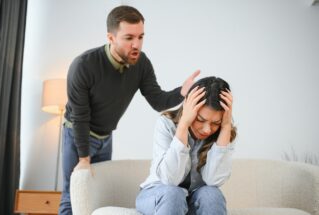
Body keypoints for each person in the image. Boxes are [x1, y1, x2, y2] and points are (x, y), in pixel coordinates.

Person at [59, 5, 200, 214]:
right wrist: (83, 159)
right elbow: (80, 117)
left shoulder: (141, 64)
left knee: (95, 194)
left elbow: (157, 100)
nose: (137, 44)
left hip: (105, 137)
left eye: (141, 37)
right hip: (77, 134)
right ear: (111, 37)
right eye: (129, 38)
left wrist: (182, 91)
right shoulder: (83, 66)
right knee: (74, 195)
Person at [136, 76, 237, 215]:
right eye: (200, 120)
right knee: (174, 194)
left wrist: (225, 127)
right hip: (159, 195)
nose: (207, 129)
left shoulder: (224, 133)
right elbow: (170, 179)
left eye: (216, 123)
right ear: (188, 109)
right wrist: (183, 124)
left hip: (194, 200)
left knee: (212, 195)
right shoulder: (166, 124)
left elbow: (213, 180)